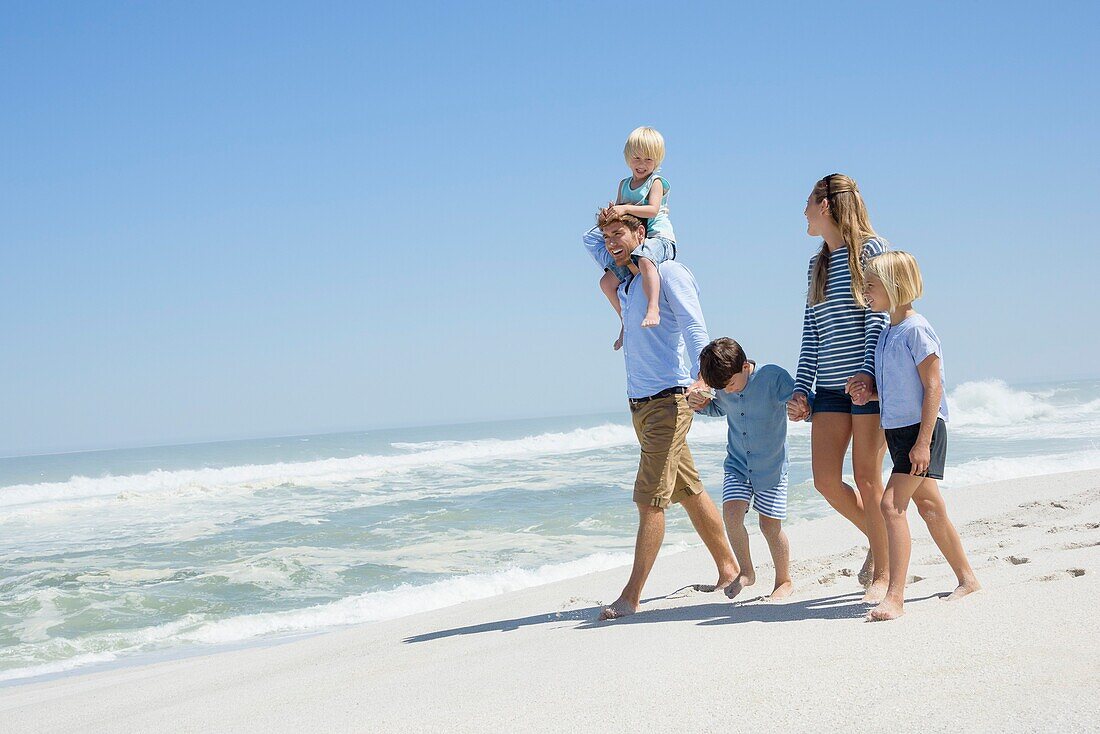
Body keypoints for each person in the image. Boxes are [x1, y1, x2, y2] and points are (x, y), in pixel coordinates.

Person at [592, 208, 737, 621]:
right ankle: (729, 567)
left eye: (619, 234)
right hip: (640, 404)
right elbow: (594, 240)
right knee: (687, 489)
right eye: (607, 238)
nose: (611, 243)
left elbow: (695, 327)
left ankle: (631, 594)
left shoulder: (669, 273)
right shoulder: (630, 282)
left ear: (642, 232)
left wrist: (705, 379)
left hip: (669, 401)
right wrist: (616, 213)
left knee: (650, 499)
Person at [851, 251, 981, 621]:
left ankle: (895, 597)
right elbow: (900, 386)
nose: (866, 292)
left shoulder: (917, 329)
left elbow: (933, 386)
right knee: (930, 508)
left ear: (894, 286)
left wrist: (923, 442)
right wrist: (870, 393)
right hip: (899, 432)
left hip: (922, 432)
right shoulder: (887, 332)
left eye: (871, 285)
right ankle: (968, 579)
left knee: (891, 505)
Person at [785, 173, 892, 603]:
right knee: (826, 481)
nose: (804, 213)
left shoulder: (870, 250)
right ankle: (884, 541)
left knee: (868, 480)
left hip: (868, 387)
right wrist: (801, 390)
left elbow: (877, 318)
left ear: (825, 204)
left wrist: (867, 375)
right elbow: (811, 332)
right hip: (828, 390)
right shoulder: (817, 263)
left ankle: (885, 573)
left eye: (808, 203)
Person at [689, 338, 800, 601]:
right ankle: (747, 571)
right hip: (738, 464)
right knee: (732, 515)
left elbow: (798, 399)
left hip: (771, 467)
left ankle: (784, 580)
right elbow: (718, 407)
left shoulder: (773, 377)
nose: (726, 390)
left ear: (745, 366)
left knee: (770, 527)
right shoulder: (725, 387)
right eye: (720, 387)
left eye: (729, 384)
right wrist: (700, 406)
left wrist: (803, 407)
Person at [582, 126, 678, 350]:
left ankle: (653, 306)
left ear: (657, 161)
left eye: (648, 159)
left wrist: (624, 208)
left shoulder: (655, 182)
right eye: (637, 157)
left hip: (657, 237)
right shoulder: (624, 184)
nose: (642, 164)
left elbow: (653, 210)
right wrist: (611, 213)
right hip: (634, 241)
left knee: (645, 259)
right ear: (628, 157)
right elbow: (618, 212)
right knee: (606, 283)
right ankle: (625, 321)